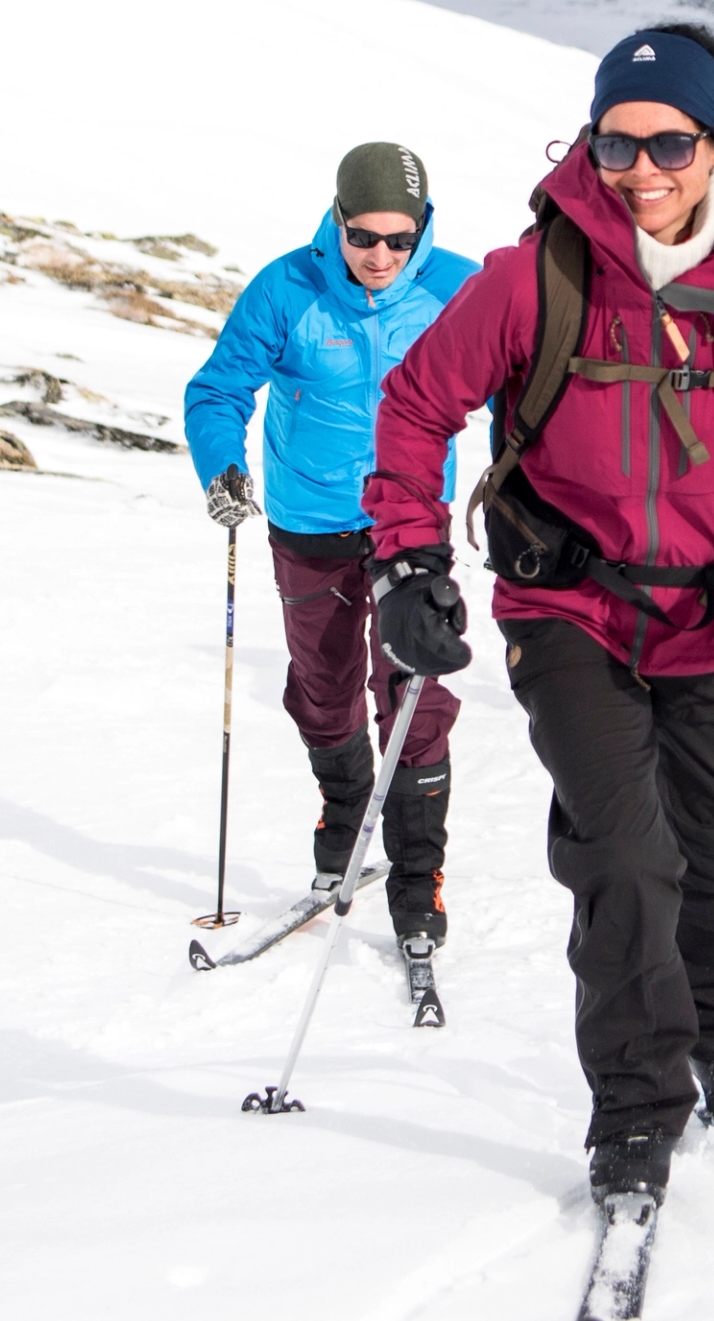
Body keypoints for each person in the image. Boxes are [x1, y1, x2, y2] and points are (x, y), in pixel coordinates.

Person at [364, 23, 714, 1211]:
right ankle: (634, 1110)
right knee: (623, 857)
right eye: (619, 142)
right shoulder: (534, 277)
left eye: (670, 140)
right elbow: (417, 411)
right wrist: (409, 560)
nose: (643, 168)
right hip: (569, 610)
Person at [182, 141, 478, 962]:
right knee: (323, 687)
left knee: (415, 691)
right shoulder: (288, 287)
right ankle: (347, 809)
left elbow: (526, 378)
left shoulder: (459, 287)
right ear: (337, 221)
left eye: (399, 240)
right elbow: (218, 388)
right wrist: (223, 464)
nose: (381, 256)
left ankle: (419, 878)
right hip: (309, 520)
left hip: (408, 522)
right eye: (364, 237)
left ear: (422, 231)